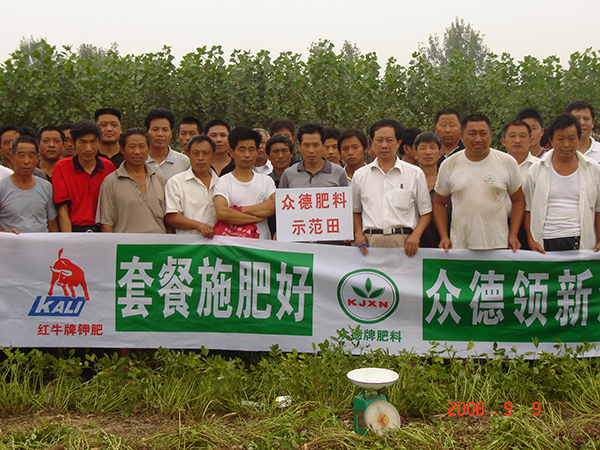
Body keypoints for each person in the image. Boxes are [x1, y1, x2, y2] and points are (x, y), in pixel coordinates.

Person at [433, 114, 525, 251]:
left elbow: (518, 201)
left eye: (483, 133)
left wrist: (514, 234)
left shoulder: (507, 162)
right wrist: (444, 236)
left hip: (498, 244)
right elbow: (439, 203)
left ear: (490, 135)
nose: (478, 139)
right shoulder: (449, 164)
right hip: (460, 246)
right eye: (472, 133)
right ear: (462, 136)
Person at [353, 119, 431, 257]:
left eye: (389, 140)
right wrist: (358, 234)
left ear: (399, 142)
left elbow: (426, 212)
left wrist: (416, 235)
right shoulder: (360, 175)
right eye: (379, 140)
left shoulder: (415, 173)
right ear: (372, 142)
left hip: (404, 242)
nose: (384, 145)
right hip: (370, 242)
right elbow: (355, 210)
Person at [524, 113, 600, 252]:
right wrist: (531, 239)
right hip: (545, 241)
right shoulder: (536, 170)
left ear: (578, 139)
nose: (566, 144)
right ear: (551, 140)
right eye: (560, 139)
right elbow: (527, 209)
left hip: (580, 240)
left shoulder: (593, 169)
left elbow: (598, 209)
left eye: (571, 139)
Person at [97, 128, 168, 233]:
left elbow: (168, 219)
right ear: (122, 149)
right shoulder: (111, 181)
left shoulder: (160, 179)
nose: (137, 152)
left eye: (141, 147)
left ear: (148, 148)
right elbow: (106, 223)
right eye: (132, 147)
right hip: (124, 242)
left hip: (158, 242)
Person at [52, 120, 116, 232]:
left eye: (93, 142)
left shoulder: (108, 167)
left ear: (99, 142)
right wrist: (69, 238)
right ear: (72, 142)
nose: (88, 148)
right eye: (82, 142)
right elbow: (62, 210)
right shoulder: (61, 168)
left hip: (103, 231)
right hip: (74, 231)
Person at [213, 127, 275, 240]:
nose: (247, 155)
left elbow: (273, 206)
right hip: (233, 245)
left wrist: (238, 210)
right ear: (231, 152)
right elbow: (222, 212)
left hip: (262, 244)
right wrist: (257, 218)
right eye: (242, 150)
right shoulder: (223, 182)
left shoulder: (266, 181)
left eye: (251, 150)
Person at [0, 136, 58, 233]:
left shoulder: (46, 187)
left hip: (41, 242)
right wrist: (7, 234)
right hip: (11, 242)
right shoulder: (2, 187)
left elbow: (52, 225)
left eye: (31, 156)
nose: (26, 161)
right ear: (12, 157)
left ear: (37, 158)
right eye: (21, 155)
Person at [165, 135, 217, 237]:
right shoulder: (176, 182)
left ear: (213, 156)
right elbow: (171, 217)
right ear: (188, 155)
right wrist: (197, 225)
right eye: (195, 153)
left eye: (205, 153)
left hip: (217, 242)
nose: (200, 158)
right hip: (188, 243)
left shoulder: (222, 183)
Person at [279, 123, 349, 188]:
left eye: (316, 145)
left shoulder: (339, 172)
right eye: (306, 145)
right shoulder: (288, 174)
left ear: (324, 146)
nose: (311, 150)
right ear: (299, 146)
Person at [415, 131, 443, 248]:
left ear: (440, 153)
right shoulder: (407, 180)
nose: (428, 152)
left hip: (444, 244)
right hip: (413, 244)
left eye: (432, 148)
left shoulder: (447, 180)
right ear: (415, 154)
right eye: (423, 148)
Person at [144, 108, 190, 180]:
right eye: (155, 129)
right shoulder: (140, 160)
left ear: (171, 133)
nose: (160, 134)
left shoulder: (183, 161)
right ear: (146, 132)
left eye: (165, 130)